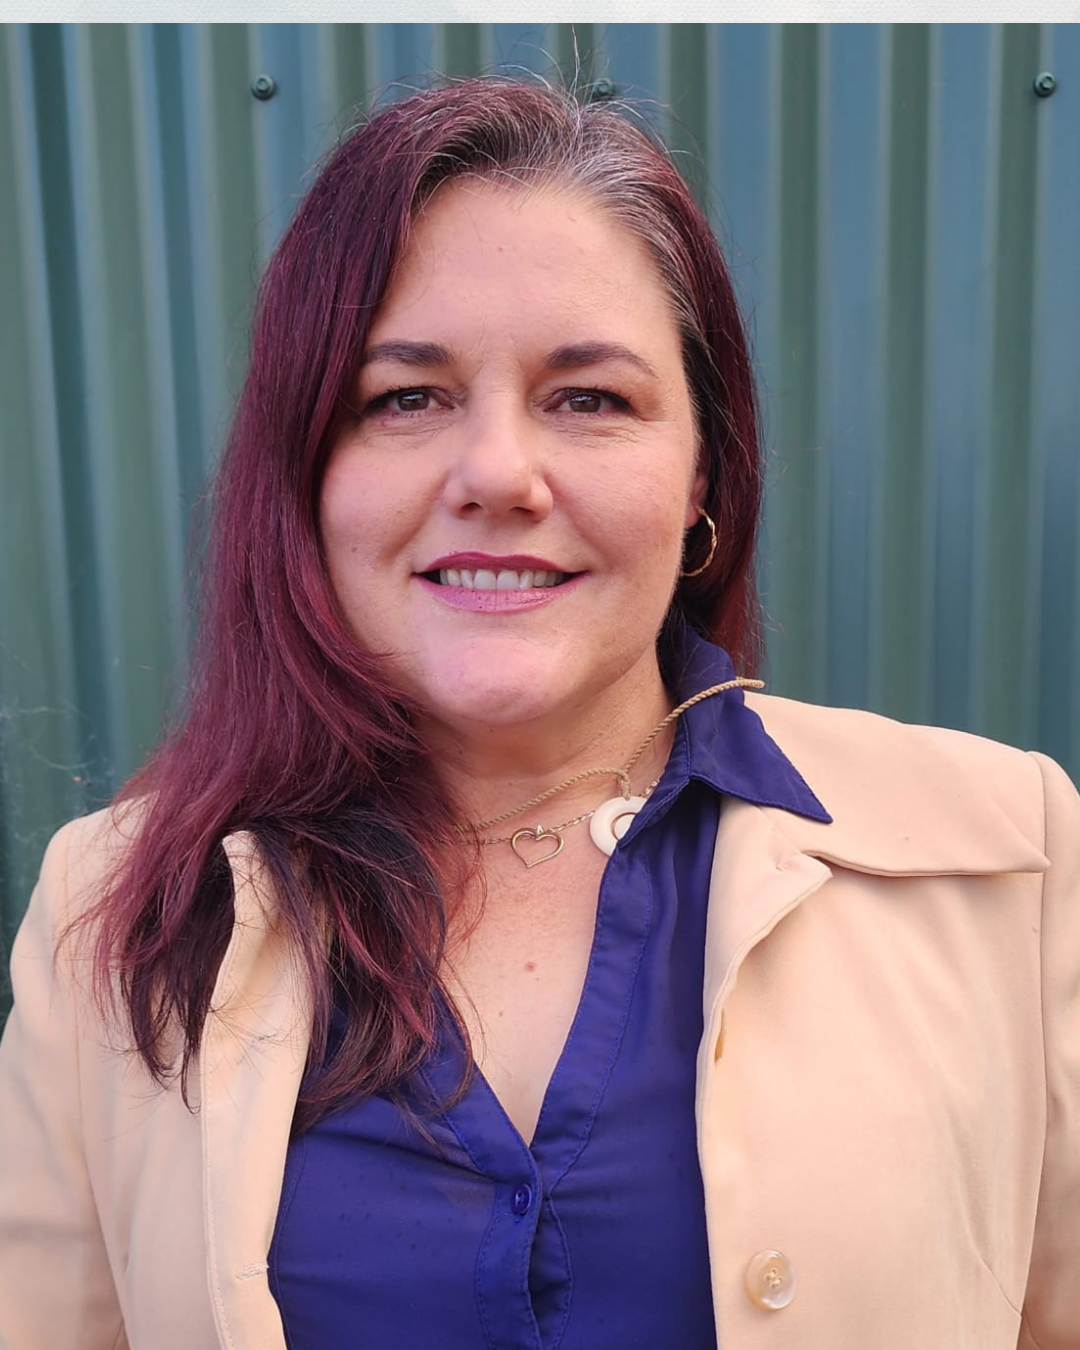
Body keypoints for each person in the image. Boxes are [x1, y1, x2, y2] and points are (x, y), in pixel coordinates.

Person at [0, 75, 1077, 1350]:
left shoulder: (1012, 850)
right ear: (307, 476)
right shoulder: (111, 911)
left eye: (589, 397)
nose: (499, 474)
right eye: (406, 396)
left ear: (700, 478)